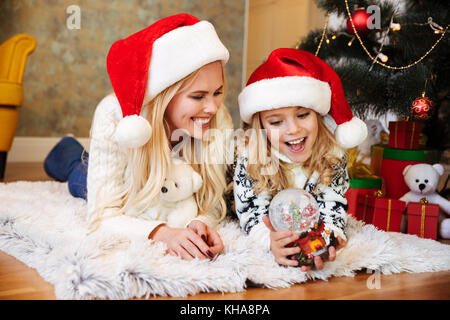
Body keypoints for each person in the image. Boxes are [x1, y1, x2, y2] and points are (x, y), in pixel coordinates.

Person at [44, 13, 233, 261]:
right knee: (80, 176)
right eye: (198, 96)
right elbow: (102, 216)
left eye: (217, 92)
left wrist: (201, 221)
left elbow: (213, 198)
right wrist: (160, 233)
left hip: (165, 190)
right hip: (125, 183)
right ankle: (66, 149)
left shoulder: (217, 117)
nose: (212, 107)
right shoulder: (114, 116)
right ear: (165, 94)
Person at [233, 48, 368, 271]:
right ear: (262, 128)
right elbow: (251, 213)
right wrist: (270, 242)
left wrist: (330, 237)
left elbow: (333, 205)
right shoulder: (251, 157)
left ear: (318, 115)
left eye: (303, 115)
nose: (293, 129)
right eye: (276, 122)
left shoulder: (332, 156)